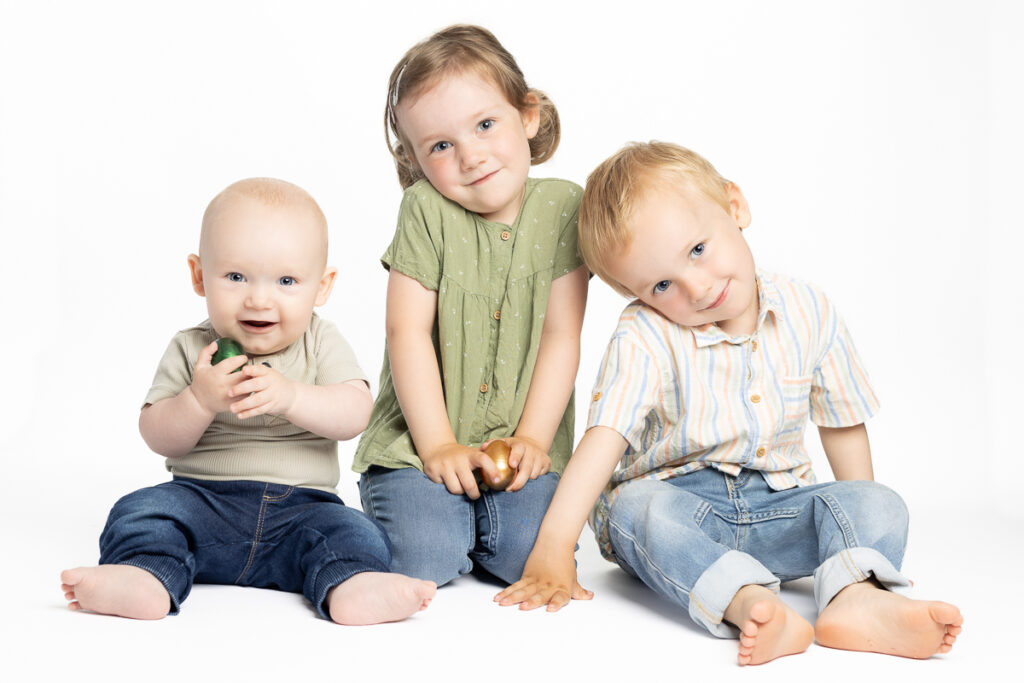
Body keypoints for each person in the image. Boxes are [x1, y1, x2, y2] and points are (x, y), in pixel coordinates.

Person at [496, 142, 963, 664]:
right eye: (662, 285)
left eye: (698, 249)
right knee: (634, 507)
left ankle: (857, 597)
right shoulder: (645, 333)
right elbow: (605, 439)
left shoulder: (808, 309)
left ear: (734, 206)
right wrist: (554, 547)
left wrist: (857, 529)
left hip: (782, 507)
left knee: (880, 502)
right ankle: (748, 603)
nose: (696, 289)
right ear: (635, 293)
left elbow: (842, 423)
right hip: (684, 513)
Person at [61, 178, 436, 624]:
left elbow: (355, 413)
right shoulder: (190, 347)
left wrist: (291, 396)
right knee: (140, 511)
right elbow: (158, 436)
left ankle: (351, 584)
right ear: (199, 276)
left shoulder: (320, 341)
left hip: (302, 510)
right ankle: (146, 575)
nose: (259, 299)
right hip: (201, 500)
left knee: (355, 531)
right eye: (236, 277)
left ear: (322, 286)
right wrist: (199, 400)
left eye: (286, 280)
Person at [354, 25, 588, 587]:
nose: (471, 156)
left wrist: (533, 438)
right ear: (416, 159)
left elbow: (561, 335)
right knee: (426, 560)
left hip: (521, 437)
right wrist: (437, 444)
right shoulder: (425, 209)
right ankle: (418, 515)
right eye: (440, 145)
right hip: (422, 437)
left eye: (485, 125)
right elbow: (407, 333)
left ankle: (484, 523)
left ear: (527, 115)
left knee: (525, 560)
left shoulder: (564, 207)